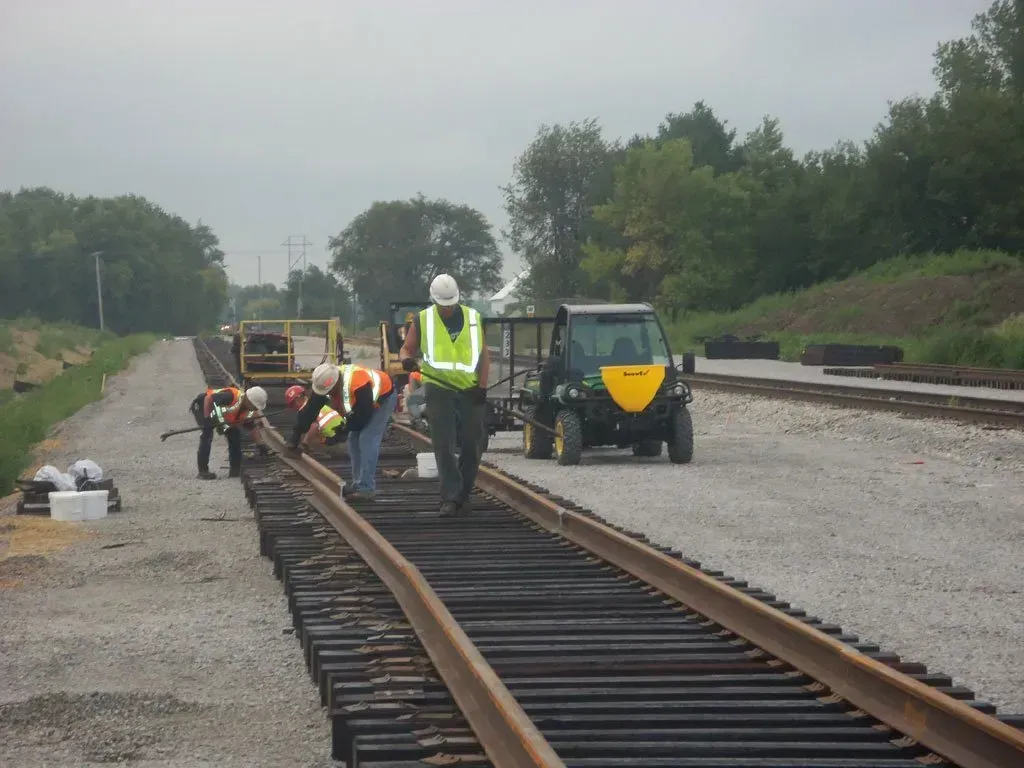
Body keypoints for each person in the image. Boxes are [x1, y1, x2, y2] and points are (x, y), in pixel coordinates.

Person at [399, 273, 489, 517]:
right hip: (439, 389)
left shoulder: (473, 318)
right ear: (434, 300)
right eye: (443, 304)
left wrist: (482, 387)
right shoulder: (423, 320)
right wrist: (406, 360)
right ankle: (450, 496)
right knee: (444, 443)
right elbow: (407, 348)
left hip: (469, 389)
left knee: (473, 443)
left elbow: (483, 355)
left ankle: (463, 493)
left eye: (450, 304)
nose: (447, 308)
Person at [287, 362, 396, 501]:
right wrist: (295, 438)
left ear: (336, 384)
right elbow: (309, 411)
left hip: (384, 397)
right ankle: (358, 484)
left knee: (366, 438)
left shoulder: (357, 384)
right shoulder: (325, 384)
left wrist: (343, 429)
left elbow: (362, 416)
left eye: (330, 392)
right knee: (353, 440)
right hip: (364, 405)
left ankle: (366, 488)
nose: (328, 395)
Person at [188, 385, 268, 480]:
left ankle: (235, 471)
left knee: (234, 435)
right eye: (254, 406)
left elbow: (251, 427)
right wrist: (206, 418)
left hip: (219, 417)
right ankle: (203, 471)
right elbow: (208, 399)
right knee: (207, 435)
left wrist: (260, 445)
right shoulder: (231, 396)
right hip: (203, 406)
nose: (254, 409)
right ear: (248, 399)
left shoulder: (248, 410)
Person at [284, 384, 347, 449]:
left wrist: (305, 443)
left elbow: (314, 426)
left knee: (306, 436)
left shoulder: (303, 414)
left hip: (333, 441)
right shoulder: (320, 402)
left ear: (296, 402)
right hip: (346, 433)